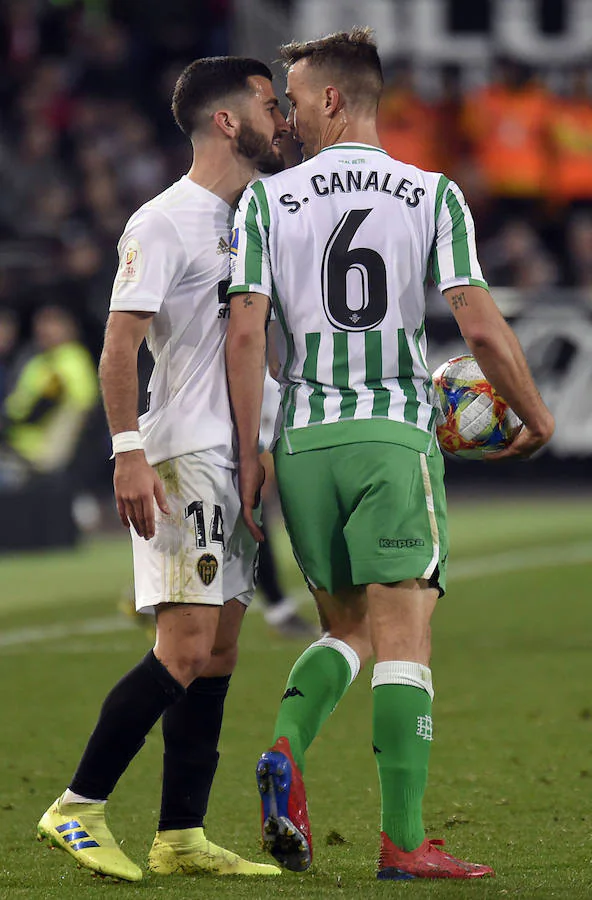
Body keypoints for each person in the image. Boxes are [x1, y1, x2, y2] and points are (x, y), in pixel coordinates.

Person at [225, 28, 555, 881]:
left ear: (333, 98)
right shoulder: (431, 194)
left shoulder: (265, 202)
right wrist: (534, 414)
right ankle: (403, 841)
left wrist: (250, 453)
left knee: (346, 629)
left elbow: (246, 332)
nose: (287, 115)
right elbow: (478, 322)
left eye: (294, 98)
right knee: (404, 636)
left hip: (302, 442)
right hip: (389, 433)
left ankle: (288, 751)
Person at [37, 55, 290, 883]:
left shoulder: (244, 220)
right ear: (227, 121)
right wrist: (129, 453)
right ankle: (77, 805)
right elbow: (117, 347)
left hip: (232, 455)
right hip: (182, 454)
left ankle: (181, 835)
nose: (280, 116)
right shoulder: (165, 219)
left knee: (217, 653)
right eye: (267, 102)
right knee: (181, 649)